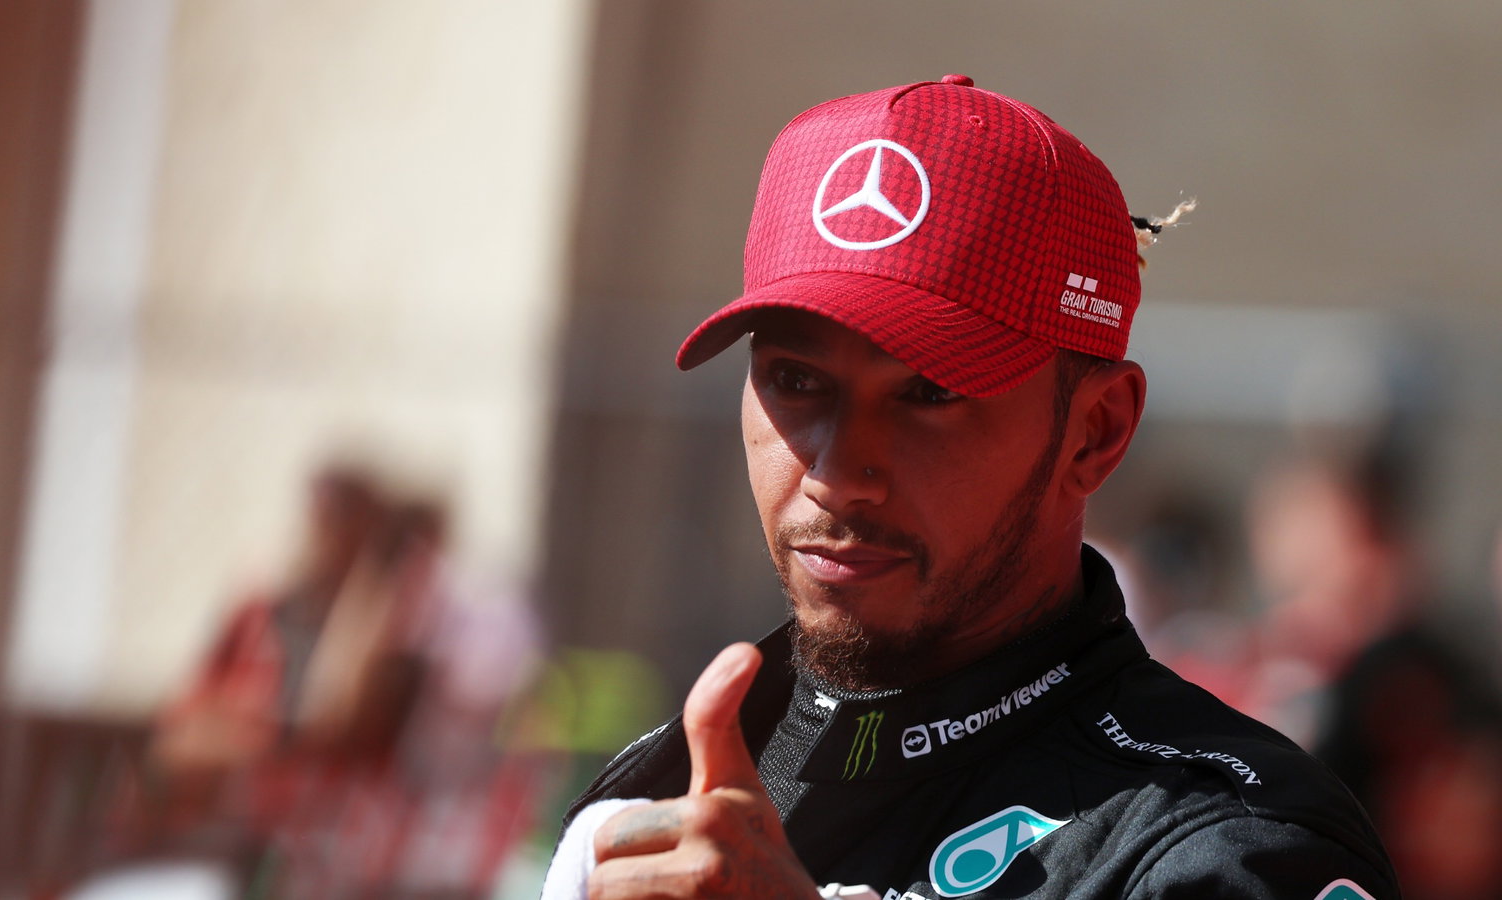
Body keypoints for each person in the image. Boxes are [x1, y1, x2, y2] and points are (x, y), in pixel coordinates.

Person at [542, 76, 1398, 899]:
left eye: (928, 393)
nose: (840, 473)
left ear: (1094, 433)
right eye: (796, 381)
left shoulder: (1230, 850)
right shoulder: (653, 796)